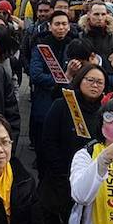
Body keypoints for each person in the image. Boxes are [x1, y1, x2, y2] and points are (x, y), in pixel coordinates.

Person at [38, 64, 107, 224]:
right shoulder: (63, 104)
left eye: (99, 82)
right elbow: (47, 141)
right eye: (90, 80)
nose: (95, 85)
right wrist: (61, 173)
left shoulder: (105, 112)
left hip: (89, 179)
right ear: (79, 81)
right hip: (60, 177)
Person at [28, 10, 75, 151]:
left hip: (68, 102)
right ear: (50, 26)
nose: (61, 28)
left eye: (64, 24)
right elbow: (36, 75)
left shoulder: (73, 45)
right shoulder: (41, 47)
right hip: (45, 100)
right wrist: (64, 78)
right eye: (57, 24)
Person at [78, 1, 113, 66]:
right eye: (96, 14)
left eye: (103, 14)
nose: (100, 18)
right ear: (88, 14)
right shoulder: (80, 37)